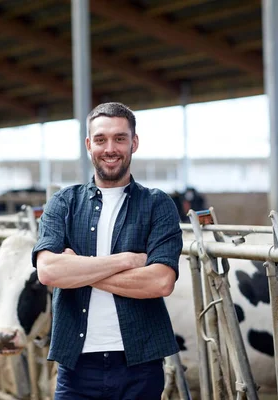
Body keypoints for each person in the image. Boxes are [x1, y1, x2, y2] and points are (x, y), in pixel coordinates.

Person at [32, 102, 182, 400]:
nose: (109, 148)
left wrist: (77, 271)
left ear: (134, 142)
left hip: (140, 363)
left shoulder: (157, 204)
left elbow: (160, 282)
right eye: (100, 139)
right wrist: (126, 261)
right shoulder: (63, 203)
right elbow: (48, 271)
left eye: (120, 138)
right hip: (76, 365)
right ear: (89, 144)